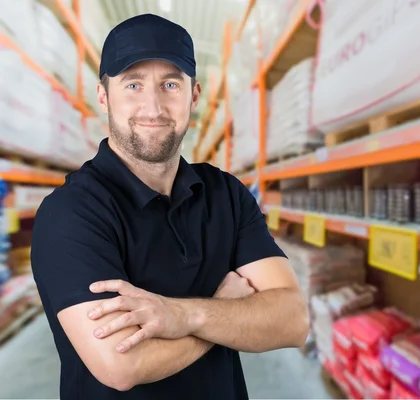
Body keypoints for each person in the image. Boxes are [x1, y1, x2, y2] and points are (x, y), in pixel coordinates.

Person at [30, 13, 309, 400]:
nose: (154, 106)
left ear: (193, 95)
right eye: (133, 84)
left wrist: (186, 316)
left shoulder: (226, 193)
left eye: (170, 84)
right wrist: (225, 309)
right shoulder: (71, 213)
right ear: (103, 96)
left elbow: (293, 320)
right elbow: (122, 365)